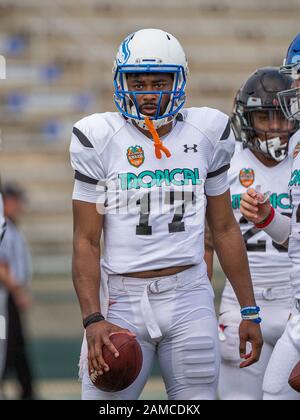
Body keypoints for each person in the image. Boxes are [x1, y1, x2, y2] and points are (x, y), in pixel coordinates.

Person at [70, 28, 263, 400]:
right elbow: (86, 240)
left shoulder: (207, 132)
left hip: (189, 295)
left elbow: (223, 229)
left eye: (160, 81)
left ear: (179, 81)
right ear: (120, 81)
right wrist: (93, 319)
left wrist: (249, 311)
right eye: (137, 82)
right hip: (121, 300)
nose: (148, 93)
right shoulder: (99, 137)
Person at [205, 67, 298, 399]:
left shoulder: (298, 161)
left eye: (282, 117)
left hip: (295, 304)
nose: (275, 127)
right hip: (241, 304)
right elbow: (206, 241)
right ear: (247, 119)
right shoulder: (226, 163)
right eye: (264, 117)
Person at [240, 33, 300, 400]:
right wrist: (266, 218)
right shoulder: (295, 142)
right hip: (297, 310)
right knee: (274, 394)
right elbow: (296, 237)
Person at [0, 184, 34, 400]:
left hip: (10, 294)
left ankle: (27, 391)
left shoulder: (12, 227)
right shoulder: (4, 227)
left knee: (15, 345)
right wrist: (17, 290)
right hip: (5, 295)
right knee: (7, 343)